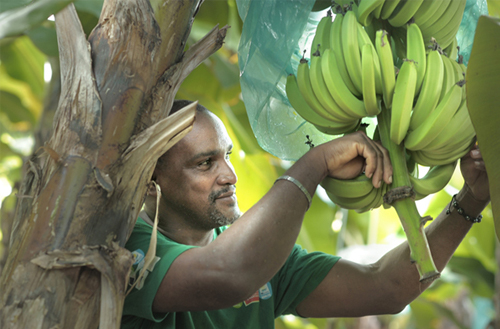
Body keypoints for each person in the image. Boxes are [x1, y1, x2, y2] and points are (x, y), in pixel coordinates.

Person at [121, 100, 490, 328]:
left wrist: (471, 198)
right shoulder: (129, 252)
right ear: (152, 178)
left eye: (227, 156)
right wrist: (317, 163)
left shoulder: (264, 261)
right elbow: (227, 275)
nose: (230, 176)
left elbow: (387, 286)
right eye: (204, 163)